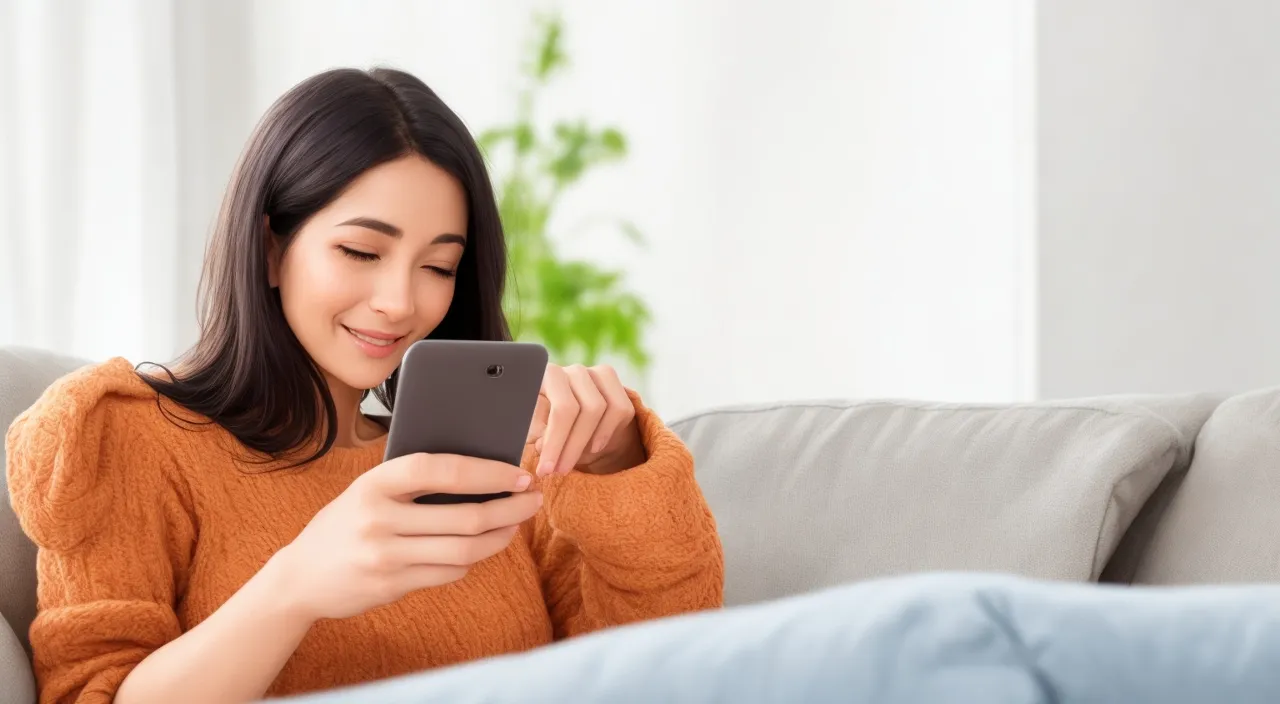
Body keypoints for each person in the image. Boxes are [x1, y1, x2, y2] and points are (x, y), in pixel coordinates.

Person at [4, 67, 724, 704]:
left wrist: (620, 462)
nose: (400, 301)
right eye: (361, 250)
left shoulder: (504, 460)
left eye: (439, 266)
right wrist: (295, 588)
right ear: (270, 249)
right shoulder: (122, 434)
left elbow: (663, 670)